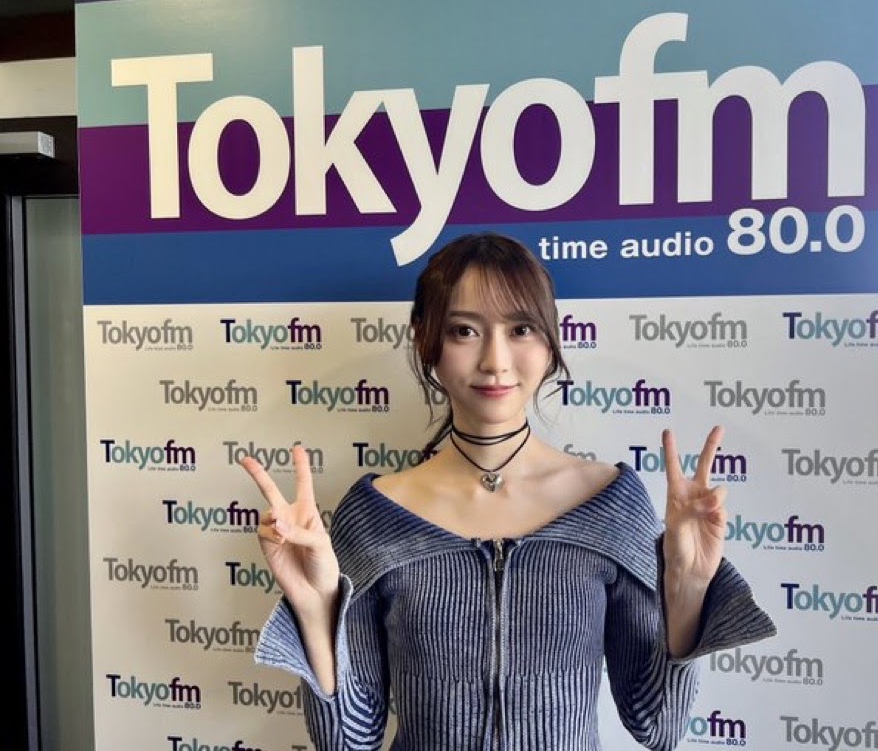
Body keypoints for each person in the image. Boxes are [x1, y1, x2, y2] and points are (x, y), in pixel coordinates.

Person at [241, 232, 776, 751]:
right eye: (463, 331)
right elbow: (347, 740)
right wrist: (316, 607)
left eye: (521, 329)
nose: (495, 361)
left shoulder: (610, 503)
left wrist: (687, 586)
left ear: (549, 341)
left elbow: (657, 726)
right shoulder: (375, 513)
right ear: (425, 339)